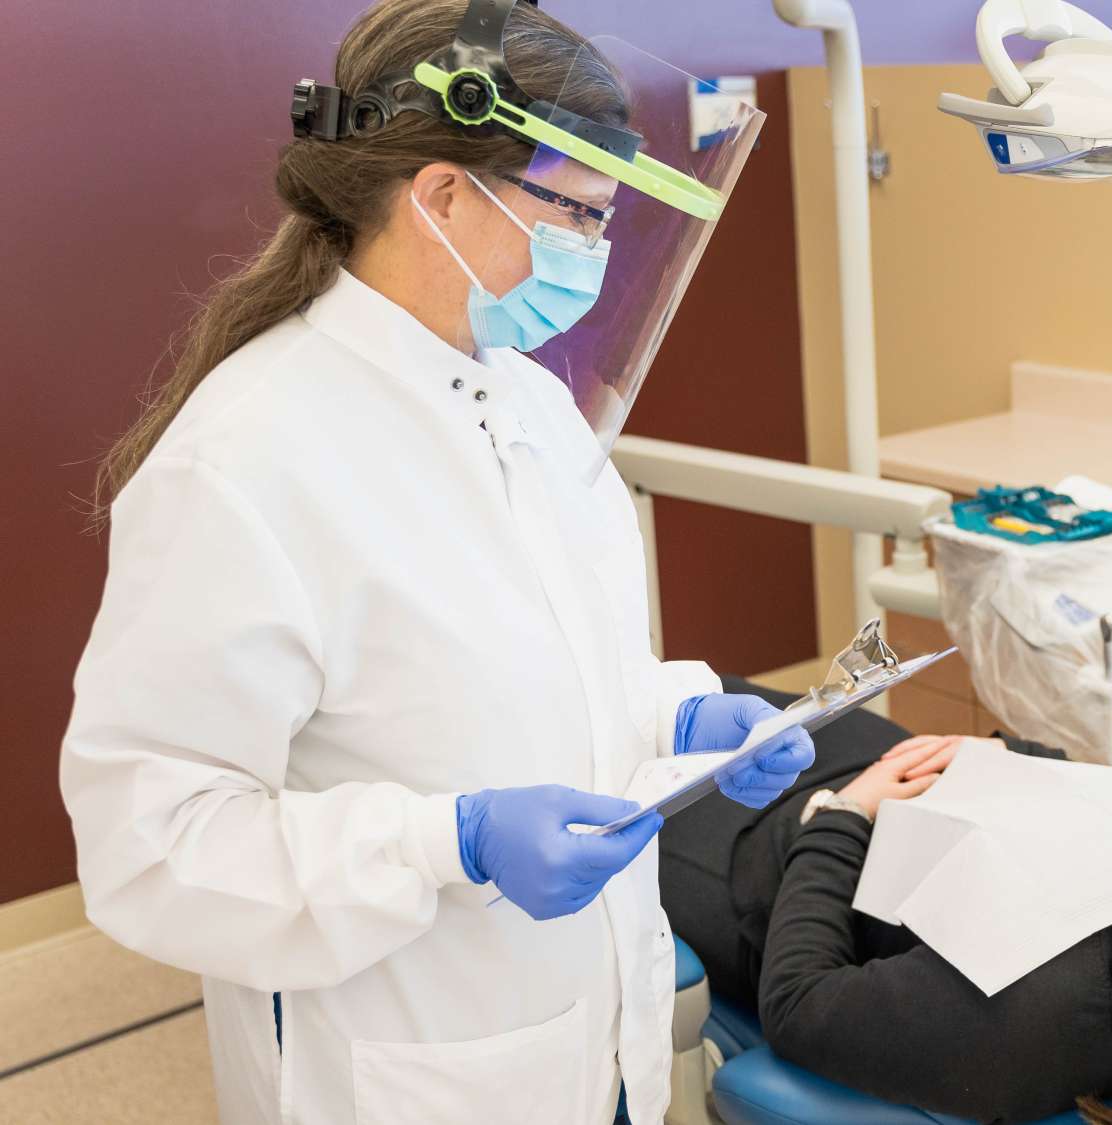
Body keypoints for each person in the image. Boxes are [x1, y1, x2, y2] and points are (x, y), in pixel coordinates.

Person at [58, 3, 809, 1123]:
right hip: (411, 1064)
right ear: (445, 193)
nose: (593, 255)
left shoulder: (531, 401)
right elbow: (153, 842)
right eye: (574, 214)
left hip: (592, 1032)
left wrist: (678, 719)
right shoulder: (248, 458)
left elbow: (510, 671)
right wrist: (445, 844)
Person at [662, 680, 1112, 1124]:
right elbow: (1094, 803)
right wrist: (1008, 757)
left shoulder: (1040, 1023)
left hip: (741, 847)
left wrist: (842, 816)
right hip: (852, 751)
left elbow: (798, 1001)